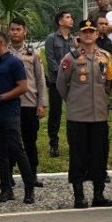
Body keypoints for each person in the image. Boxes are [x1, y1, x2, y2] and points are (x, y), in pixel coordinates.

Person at [56, 18, 112, 208]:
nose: (89, 34)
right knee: (78, 156)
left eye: (92, 31)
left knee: (100, 156)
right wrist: (74, 101)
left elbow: (110, 83)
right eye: (85, 32)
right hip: (78, 116)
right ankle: (79, 195)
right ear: (79, 35)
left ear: (97, 34)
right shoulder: (70, 58)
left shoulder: (106, 57)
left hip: (99, 115)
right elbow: (61, 85)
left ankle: (98, 194)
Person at [0, 31, 35, 203]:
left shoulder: (14, 63)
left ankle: (29, 188)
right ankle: (6, 188)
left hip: (9, 113)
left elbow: (22, 87)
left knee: (16, 149)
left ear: (1, 42)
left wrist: (0, 98)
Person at [8, 18, 47, 187]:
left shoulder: (33, 54)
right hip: (9, 104)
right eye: (12, 29)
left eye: (18, 29)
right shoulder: (3, 52)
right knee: (9, 141)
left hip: (29, 104)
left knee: (30, 141)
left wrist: (41, 104)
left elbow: (40, 80)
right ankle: (7, 176)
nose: (15, 32)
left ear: (25, 32)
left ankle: (32, 174)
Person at [44, 10, 74, 158]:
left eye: (71, 17)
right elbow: (50, 61)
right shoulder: (51, 38)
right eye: (68, 17)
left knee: (74, 112)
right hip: (56, 81)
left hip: (73, 83)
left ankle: (73, 142)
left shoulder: (74, 40)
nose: (71, 19)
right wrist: (63, 74)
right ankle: (53, 143)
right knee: (55, 113)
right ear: (60, 22)